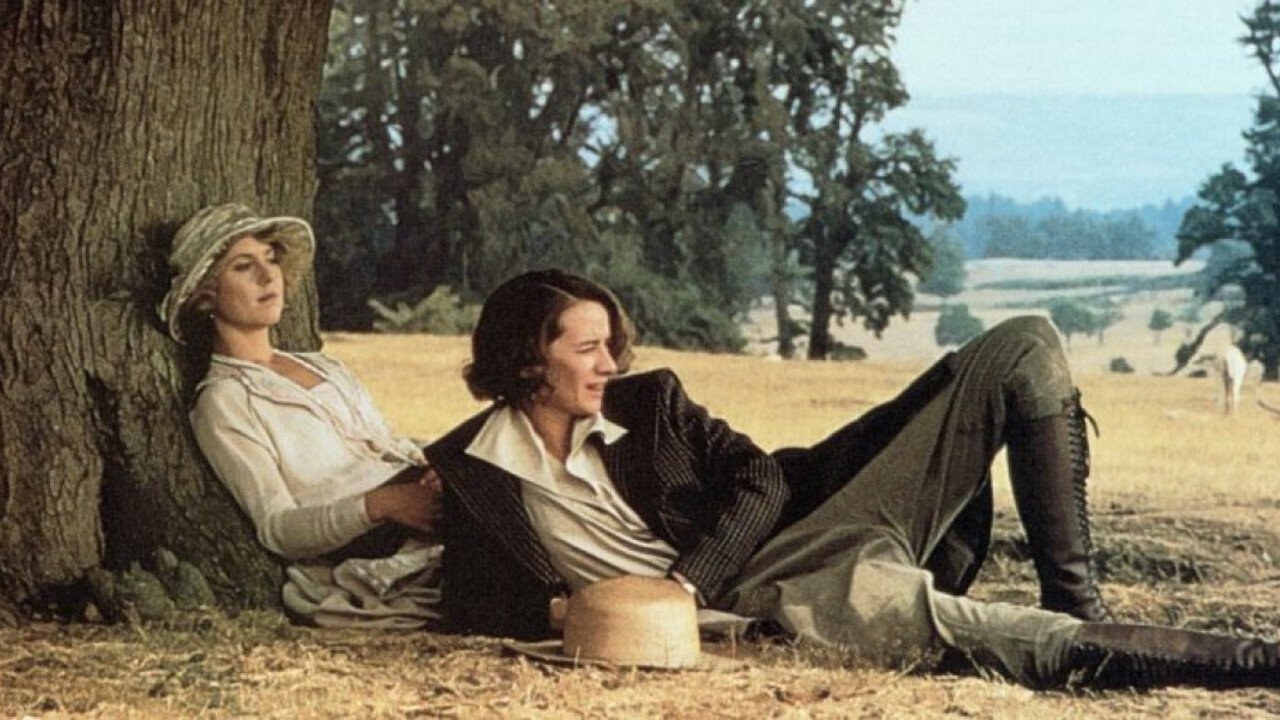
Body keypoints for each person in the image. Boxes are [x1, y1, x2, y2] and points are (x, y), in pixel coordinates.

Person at [425, 268, 1280, 690]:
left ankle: (1078, 597)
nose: (612, 363)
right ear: (527, 361)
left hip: (812, 513)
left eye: (611, 344)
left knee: (1024, 344)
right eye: (588, 349)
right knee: (985, 631)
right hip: (784, 596)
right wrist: (574, 612)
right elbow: (469, 596)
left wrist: (685, 586)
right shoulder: (471, 469)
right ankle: (1255, 663)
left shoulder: (652, 401)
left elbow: (759, 479)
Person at [160, 203, 444, 628]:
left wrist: (437, 465)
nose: (267, 275)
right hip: (367, 530)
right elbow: (277, 527)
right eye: (244, 266)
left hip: (412, 489)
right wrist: (380, 505)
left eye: (270, 259)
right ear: (205, 297)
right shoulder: (225, 400)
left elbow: (388, 442)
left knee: (507, 434)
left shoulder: (324, 367)